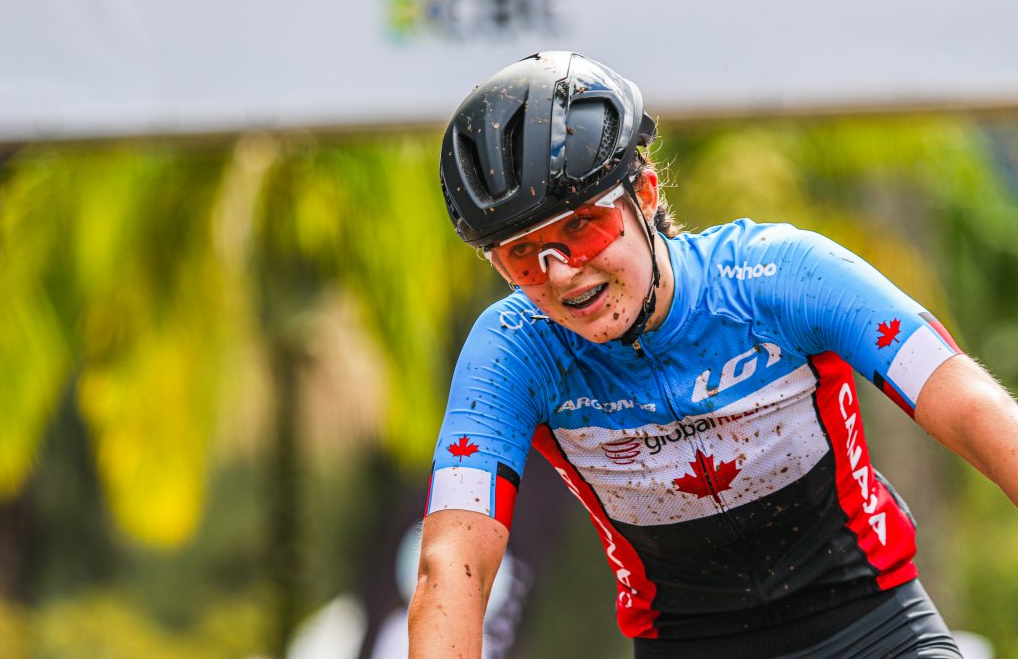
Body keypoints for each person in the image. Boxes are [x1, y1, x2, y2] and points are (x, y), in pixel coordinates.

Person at [407, 51, 1018, 658]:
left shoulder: (781, 276)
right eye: (522, 255)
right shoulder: (513, 350)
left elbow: (974, 410)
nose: (562, 273)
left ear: (645, 194)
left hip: (870, 626)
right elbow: (452, 565)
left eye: (581, 226)